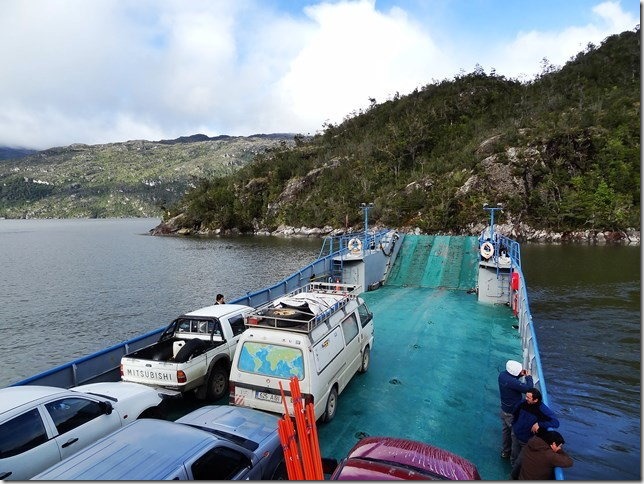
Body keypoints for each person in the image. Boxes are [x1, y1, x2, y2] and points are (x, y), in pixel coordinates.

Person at [510, 388, 559, 471]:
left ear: (535, 400)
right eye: (526, 396)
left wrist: (539, 424)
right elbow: (515, 412)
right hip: (516, 434)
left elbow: (556, 422)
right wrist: (514, 425)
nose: (526, 398)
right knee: (514, 455)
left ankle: (515, 475)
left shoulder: (542, 410)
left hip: (526, 441)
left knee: (520, 462)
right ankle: (513, 469)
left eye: (528, 397)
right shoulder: (523, 403)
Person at [498, 360, 533, 459]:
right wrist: (528, 377)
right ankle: (514, 459)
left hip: (504, 409)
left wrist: (519, 375)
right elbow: (528, 389)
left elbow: (513, 381)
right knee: (515, 435)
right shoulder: (513, 382)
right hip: (513, 412)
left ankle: (505, 452)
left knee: (505, 431)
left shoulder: (502, 375)